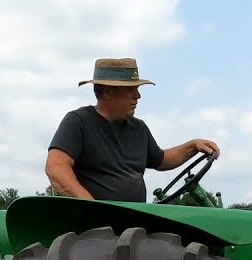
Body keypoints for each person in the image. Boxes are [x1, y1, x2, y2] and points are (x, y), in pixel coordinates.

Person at [46, 57, 220, 203]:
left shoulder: (139, 129)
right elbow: (56, 168)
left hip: (134, 224)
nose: (138, 95)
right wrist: (94, 211)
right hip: (89, 229)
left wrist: (193, 146)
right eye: (131, 89)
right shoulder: (78, 122)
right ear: (107, 92)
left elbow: (162, 160)